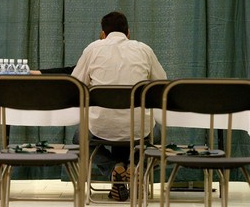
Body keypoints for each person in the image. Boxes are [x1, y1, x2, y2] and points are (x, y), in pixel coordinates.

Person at [31, 11, 167, 201]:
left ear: (102, 34)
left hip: (100, 127)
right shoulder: (144, 49)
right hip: (139, 129)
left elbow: (75, 84)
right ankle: (136, 168)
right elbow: (161, 83)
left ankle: (114, 169)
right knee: (157, 138)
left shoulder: (93, 49)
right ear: (129, 32)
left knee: (80, 138)